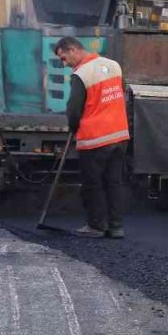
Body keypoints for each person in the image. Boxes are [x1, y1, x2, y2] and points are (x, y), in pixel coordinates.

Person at [57, 37, 130, 239]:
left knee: (93, 184)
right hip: (119, 135)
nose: (64, 64)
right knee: (114, 183)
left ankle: (96, 226)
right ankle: (116, 227)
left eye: (64, 58)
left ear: (73, 50)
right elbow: (122, 92)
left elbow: (73, 108)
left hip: (95, 139)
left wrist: (73, 127)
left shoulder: (81, 74)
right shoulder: (114, 66)